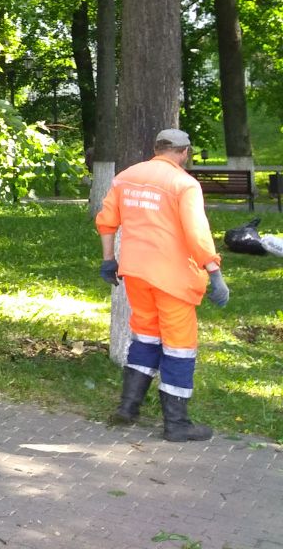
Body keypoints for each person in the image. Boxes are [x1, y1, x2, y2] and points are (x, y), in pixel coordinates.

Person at [95, 128, 229, 442]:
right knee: (179, 348)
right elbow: (196, 233)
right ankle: (177, 423)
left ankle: (128, 408)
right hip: (172, 278)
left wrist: (107, 260)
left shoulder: (127, 177)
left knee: (145, 337)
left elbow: (106, 220)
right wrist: (215, 273)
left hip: (136, 273)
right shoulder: (184, 184)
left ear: (157, 148)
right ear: (184, 152)